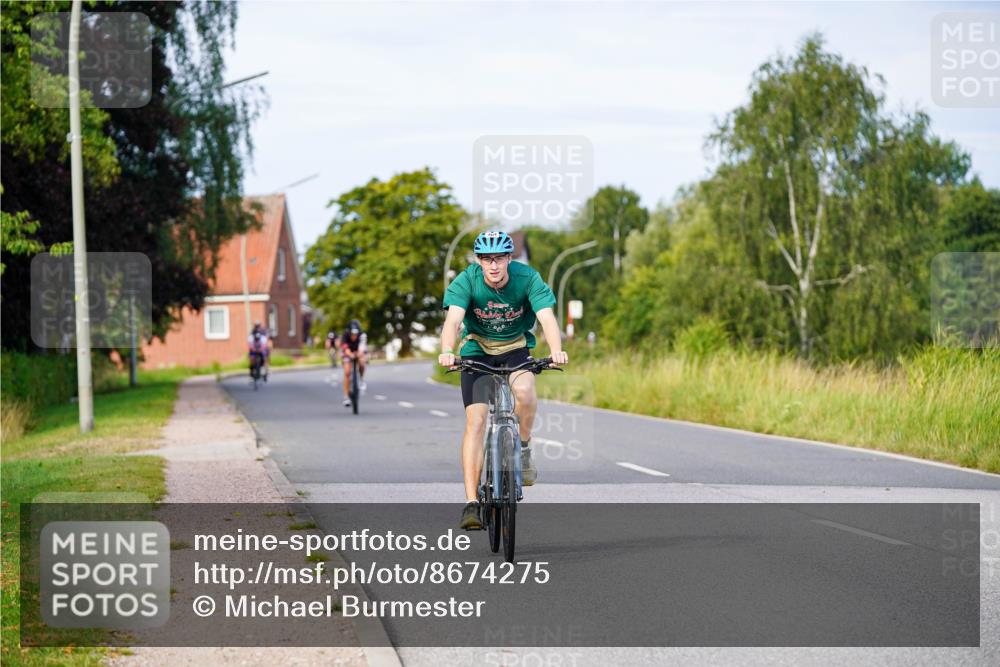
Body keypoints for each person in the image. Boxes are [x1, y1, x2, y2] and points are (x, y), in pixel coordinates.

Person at [438, 230, 568, 530]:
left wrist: (557, 351)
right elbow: (453, 321)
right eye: (486, 259)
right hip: (476, 350)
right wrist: (447, 351)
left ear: (510, 258)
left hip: (515, 349)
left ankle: (522, 449)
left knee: (525, 392)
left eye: (499, 258)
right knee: (477, 421)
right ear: (478, 261)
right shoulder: (466, 281)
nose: (493, 265)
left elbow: (547, 317)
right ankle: (471, 503)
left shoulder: (527, 279)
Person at [340, 319, 367, 406]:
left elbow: (362, 348)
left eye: (356, 334)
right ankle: (346, 396)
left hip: (358, 351)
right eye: (352, 334)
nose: (354, 336)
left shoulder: (362, 335)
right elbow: (345, 348)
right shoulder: (345, 335)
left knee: (362, 363)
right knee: (347, 372)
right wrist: (350, 355)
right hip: (348, 352)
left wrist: (358, 355)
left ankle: (361, 379)